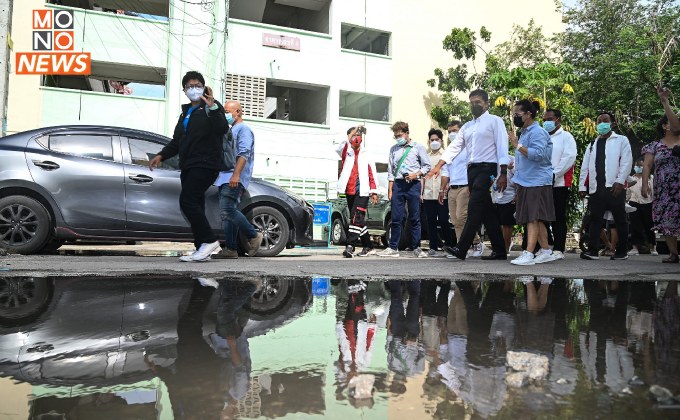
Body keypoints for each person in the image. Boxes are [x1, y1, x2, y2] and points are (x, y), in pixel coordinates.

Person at [150, 71, 229, 262]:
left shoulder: (211, 107)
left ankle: (209, 240)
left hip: (205, 163)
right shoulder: (186, 113)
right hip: (189, 165)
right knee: (196, 204)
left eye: (197, 85)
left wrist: (213, 108)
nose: (193, 89)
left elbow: (222, 129)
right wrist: (161, 155)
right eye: (189, 86)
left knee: (187, 201)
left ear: (203, 87)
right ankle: (201, 247)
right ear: (184, 90)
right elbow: (177, 141)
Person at [428, 89, 510, 261]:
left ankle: (462, 248)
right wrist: (439, 165)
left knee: (473, 207)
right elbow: (455, 147)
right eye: (472, 102)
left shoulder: (495, 121)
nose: (474, 105)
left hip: (488, 168)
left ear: (486, 103)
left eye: (478, 102)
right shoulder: (467, 126)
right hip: (471, 171)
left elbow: (502, 147)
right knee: (487, 211)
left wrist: (503, 173)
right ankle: (500, 250)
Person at [578, 111, 633, 260]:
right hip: (597, 188)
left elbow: (627, 161)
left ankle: (622, 252)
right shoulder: (592, 144)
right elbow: (585, 167)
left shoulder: (621, 140)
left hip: (614, 187)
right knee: (595, 220)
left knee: (620, 219)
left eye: (605, 120)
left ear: (612, 124)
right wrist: (582, 187)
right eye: (599, 121)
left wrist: (620, 181)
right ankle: (593, 251)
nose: (602, 123)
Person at [212, 100, 263, 259]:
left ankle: (253, 235)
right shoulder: (231, 130)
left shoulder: (243, 129)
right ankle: (231, 249)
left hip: (233, 177)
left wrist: (236, 175)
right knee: (228, 212)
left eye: (228, 111)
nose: (225, 114)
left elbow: (244, 153)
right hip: (224, 177)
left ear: (238, 112)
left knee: (227, 210)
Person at [508, 100, 556, 266]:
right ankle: (546, 250)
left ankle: (528, 253)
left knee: (532, 218)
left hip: (537, 180)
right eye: (514, 115)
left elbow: (538, 155)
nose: (515, 117)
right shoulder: (525, 132)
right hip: (526, 181)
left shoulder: (538, 132)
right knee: (537, 218)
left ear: (528, 114)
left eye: (517, 115)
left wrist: (517, 145)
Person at [378, 121, 431, 258]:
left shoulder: (418, 147)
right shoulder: (393, 149)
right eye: (395, 136)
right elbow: (391, 171)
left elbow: (427, 166)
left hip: (413, 184)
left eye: (400, 135)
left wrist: (416, 174)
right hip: (398, 185)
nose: (398, 138)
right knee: (396, 217)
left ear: (407, 133)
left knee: (414, 217)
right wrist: (390, 189)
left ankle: (416, 247)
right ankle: (393, 247)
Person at [641, 85, 680, 263]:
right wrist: (644, 185)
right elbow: (647, 166)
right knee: (667, 219)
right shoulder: (655, 146)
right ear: (664, 126)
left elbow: (677, 127)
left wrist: (665, 101)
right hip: (665, 189)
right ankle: (673, 253)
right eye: (670, 122)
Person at [336, 126, 380, 258]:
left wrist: (374, 191)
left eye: (359, 135)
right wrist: (356, 129)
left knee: (357, 218)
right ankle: (368, 246)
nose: (356, 137)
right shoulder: (346, 152)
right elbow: (343, 143)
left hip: (363, 191)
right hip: (349, 190)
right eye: (353, 135)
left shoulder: (366, 154)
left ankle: (350, 246)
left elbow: (372, 172)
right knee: (357, 219)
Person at [438, 133, 485, 257]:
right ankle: (461, 248)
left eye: (455, 131)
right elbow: (445, 172)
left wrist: (472, 185)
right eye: (450, 131)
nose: (452, 134)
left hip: (465, 187)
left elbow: (473, 168)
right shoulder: (449, 151)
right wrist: (442, 190)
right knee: (455, 220)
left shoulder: (468, 149)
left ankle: (475, 242)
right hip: (452, 188)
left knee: (462, 216)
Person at [544, 108, 577, 260]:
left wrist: (554, 174)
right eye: (544, 119)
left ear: (558, 119)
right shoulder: (542, 136)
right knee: (541, 216)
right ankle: (545, 247)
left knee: (558, 216)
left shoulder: (566, 137)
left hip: (559, 183)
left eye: (549, 119)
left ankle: (558, 249)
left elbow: (569, 158)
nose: (546, 122)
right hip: (541, 183)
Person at [422, 129, 453, 257]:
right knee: (430, 221)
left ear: (441, 140)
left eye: (437, 140)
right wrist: (421, 193)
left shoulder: (447, 155)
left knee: (444, 220)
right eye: (432, 140)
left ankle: (449, 246)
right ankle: (433, 247)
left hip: (443, 193)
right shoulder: (426, 157)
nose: (434, 142)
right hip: (429, 194)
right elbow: (423, 176)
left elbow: (450, 173)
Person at [627, 157, 656, 256]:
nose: (638, 167)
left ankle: (653, 247)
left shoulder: (651, 178)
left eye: (640, 166)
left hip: (648, 203)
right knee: (635, 226)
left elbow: (654, 192)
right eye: (637, 166)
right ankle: (635, 247)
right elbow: (627, 193)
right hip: (634, 203)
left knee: (649, 226)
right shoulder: (631, 178)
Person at [492, 156, 517, 253]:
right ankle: (499, 247)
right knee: (497, 224)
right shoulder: (491, 159)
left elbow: (518, 177)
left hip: (509, 197)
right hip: (495, 197)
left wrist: (517, 194)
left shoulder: (511, 159)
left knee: (507, 224)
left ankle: (506, 248)